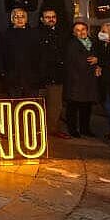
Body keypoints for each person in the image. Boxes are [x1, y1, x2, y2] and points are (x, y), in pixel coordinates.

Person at [63, 22, 101, 138]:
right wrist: (92, 61)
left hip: (89, 80)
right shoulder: (71, 44)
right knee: (73, 106)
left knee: (86, 106)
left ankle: (85, 129)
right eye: (78, 30)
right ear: (74, 33)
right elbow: (75, 60)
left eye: (83, 29)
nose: (81, 32)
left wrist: (98, 60)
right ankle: (73, 129)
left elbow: (100, 55)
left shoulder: (93, 42)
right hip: (76, 79)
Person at [38, 8, 70, 139]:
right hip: (40, 76)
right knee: (38, 104)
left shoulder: (63, 33)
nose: (51, 19)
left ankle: (53, 129)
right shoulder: (36, 33)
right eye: (48, 17)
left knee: (56, 105)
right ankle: (38, 129)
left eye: (53, 17)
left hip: (57, 75)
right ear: (42, 19)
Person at [0, 7, 39, 98]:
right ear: (12, 19)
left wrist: (36, 74)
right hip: (12, 78)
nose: (20, 19)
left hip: (30, 78)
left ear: (26, 19)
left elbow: (38, 55)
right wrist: (3, 73)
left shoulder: (34, 34)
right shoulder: (5, 35)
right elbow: (0, 56)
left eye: (22, 16)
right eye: (16, 17)